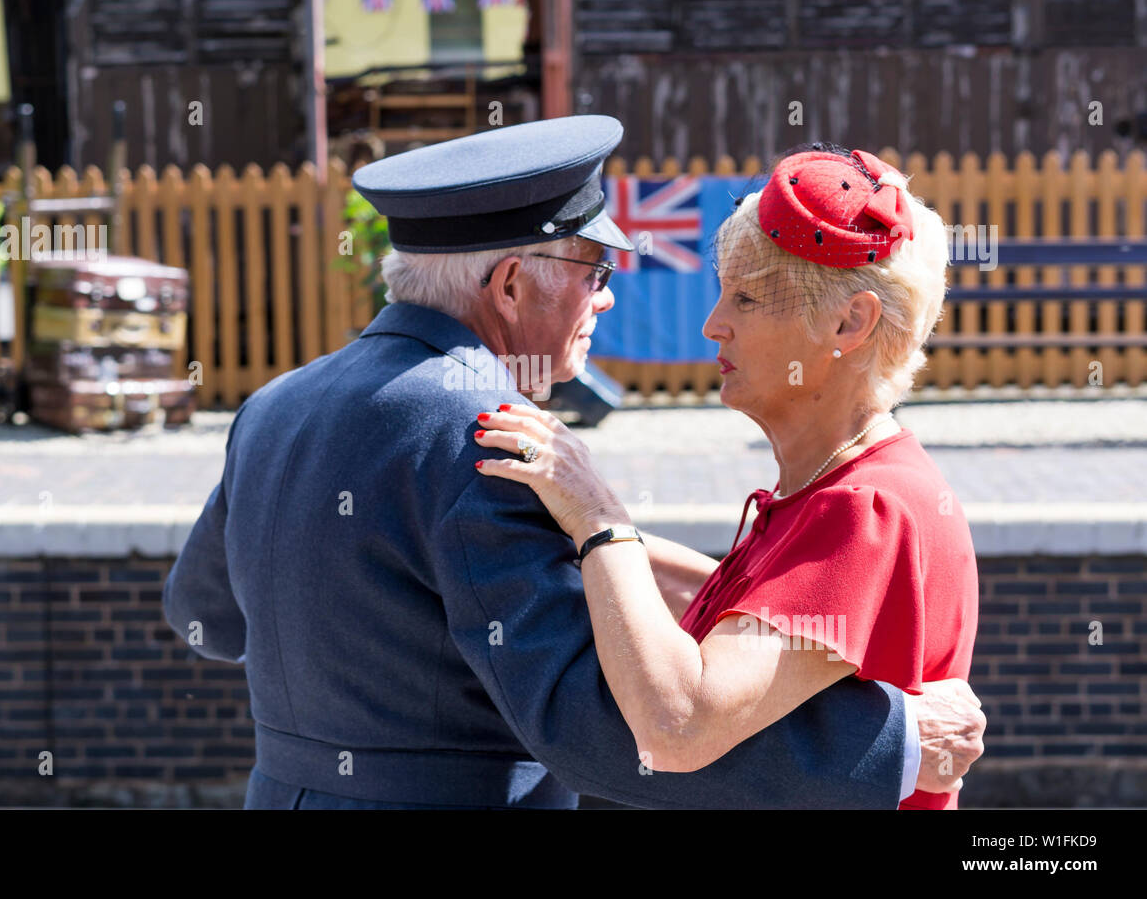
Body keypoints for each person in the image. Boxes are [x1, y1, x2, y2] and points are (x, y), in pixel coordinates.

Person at [162, 119, 986, 809]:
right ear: (514, 285)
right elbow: (603, 734)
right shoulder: (486, 432)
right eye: (594, 271)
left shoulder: (274, 406)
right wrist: (899, 744)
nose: (607, 298)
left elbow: (205, 615)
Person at [475, 143, 979, 808]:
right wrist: (560, 519)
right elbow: (729, 605)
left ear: (849, 322)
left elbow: (679, 725)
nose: (715, 326)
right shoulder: (842, 485)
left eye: (746, 298)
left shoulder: (865, 508)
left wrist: (596, 522)